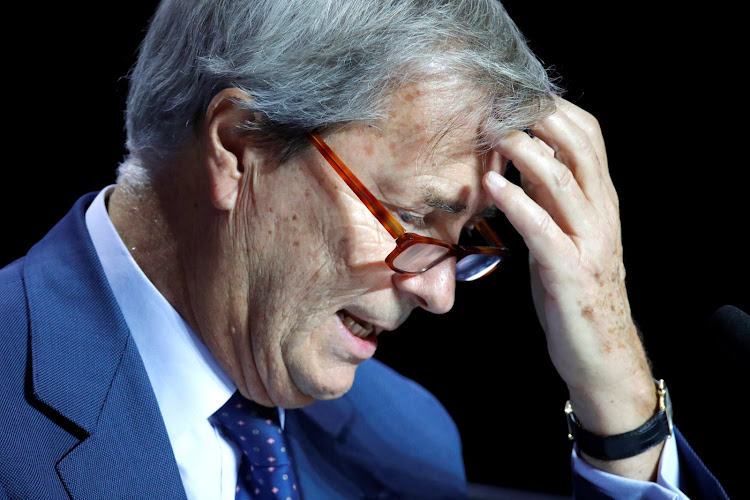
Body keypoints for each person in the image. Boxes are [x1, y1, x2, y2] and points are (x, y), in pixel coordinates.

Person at [0, 1, 729, 499]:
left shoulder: (411, 439)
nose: (440, 295)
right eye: (412, 214)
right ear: (238, 147)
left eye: (465, 237)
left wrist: (621, 408)